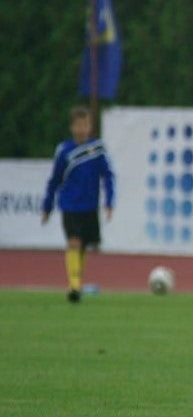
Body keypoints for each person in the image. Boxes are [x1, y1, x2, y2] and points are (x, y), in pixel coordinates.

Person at [42, 105, 115, 303]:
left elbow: (108, 176)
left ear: (90, 127)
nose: (82, 129)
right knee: (73, 241)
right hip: (69, 204)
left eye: (85, 125)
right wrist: (47, 205)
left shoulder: (97, 149)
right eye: (78, 125)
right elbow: (55, 179)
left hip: (90, 206)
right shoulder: (64, 151)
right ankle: (74, 286)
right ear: (72, 127)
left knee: (83, 245)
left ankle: (77, 283)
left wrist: (109, 201)